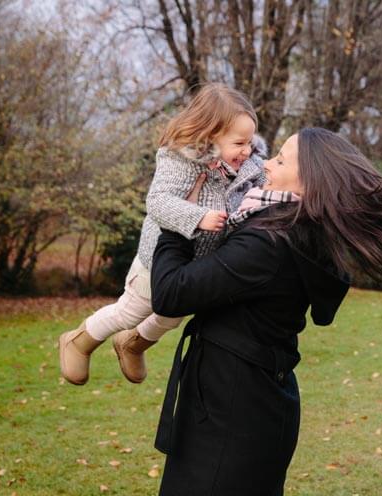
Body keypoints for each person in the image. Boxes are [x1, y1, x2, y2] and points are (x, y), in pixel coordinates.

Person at [150, 127, 382, 496]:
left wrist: (179, 217)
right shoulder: (295, 230)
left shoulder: (267, 243)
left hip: (234, 414)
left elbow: (170, 292)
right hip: (250, 402)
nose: (266, 163)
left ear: (310, 181)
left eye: (281, 160)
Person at [58, 83, 265, 386]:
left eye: (249, 142)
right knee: (131, 311)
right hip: (157, 259)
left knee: (172, 316)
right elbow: (158, 202)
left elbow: (262, 191)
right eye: (238, 143)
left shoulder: (249, 169)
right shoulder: (180, 160)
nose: (246, 150)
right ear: (210, 136)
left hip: (194, 266)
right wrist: (198, 217)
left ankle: (132, 344)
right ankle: (78, 341)